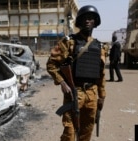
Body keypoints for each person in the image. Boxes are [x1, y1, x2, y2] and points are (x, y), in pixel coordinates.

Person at [46, 5, 106, 141]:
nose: (87, 21)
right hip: (74, 92)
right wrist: (62, 82)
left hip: (92, 93)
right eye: (84, 18)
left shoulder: (100, 47)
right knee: (69, 133)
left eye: (90, 18)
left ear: (95, 22)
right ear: (79, 22)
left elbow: (101, 74)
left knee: (87, 130)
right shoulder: (69, 42)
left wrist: (102, 95)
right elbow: (51, 65)